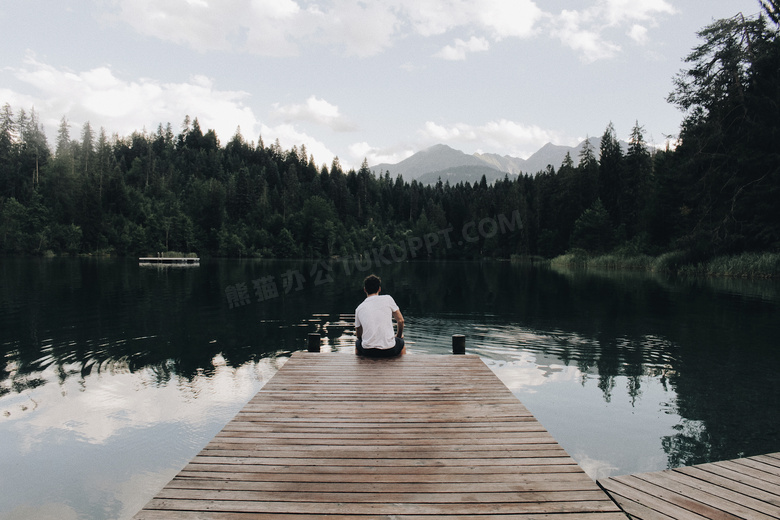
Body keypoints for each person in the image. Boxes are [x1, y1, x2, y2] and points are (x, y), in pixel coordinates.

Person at [354, 274, 405, 357]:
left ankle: (360, 366)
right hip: (389, 349)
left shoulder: (359, 308)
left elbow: (358, 334)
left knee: (357, 343)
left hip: (368, 351)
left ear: (365, 290)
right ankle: (401, 366)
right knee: (401, 342)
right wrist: (398, 336)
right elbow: (401, 321)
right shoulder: (388, 299)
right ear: (379, 289)